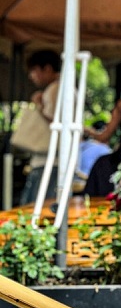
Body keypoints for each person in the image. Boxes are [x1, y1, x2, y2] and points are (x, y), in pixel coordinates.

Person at [20, 50, 61, 204]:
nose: (31, 76)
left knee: (38, 208)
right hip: (51, 160)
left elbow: (55, 122)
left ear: (47, 69)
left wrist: (38, 106)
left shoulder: (55, 90)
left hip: (49, 161)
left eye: (34, 70)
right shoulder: (63, 88)